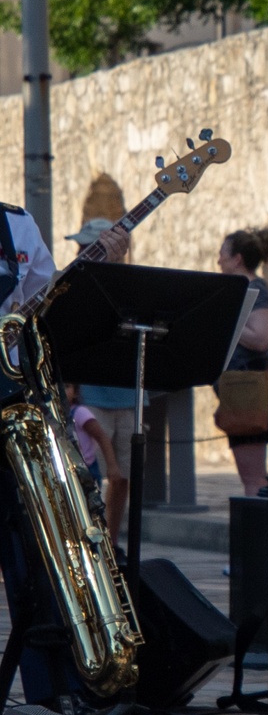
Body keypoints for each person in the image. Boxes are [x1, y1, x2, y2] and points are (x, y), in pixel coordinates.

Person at [0, 201, 128, 704]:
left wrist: (97, 274)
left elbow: (47, 311)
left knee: (38, 558)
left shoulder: (15, 224)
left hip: (14, 407)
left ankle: (49, 700)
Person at [67, 218, 139, 543]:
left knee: (123, 475)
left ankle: (111, 538)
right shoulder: (75, 284)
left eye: (88, 247)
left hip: (127, 394)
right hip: (91, 394)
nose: (81, 252)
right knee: (91, 470)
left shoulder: (132, 285)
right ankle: (91, 535)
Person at [216, 228, 268, 496]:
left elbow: (262, 338)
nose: (218, 260)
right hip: (239, 388)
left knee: (253, 477)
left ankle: (255, 535)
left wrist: (227, 319)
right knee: (249, 475)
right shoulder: (245, 290)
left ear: (237, 258)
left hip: (247, 389)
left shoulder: (255, 291)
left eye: (222, 254)